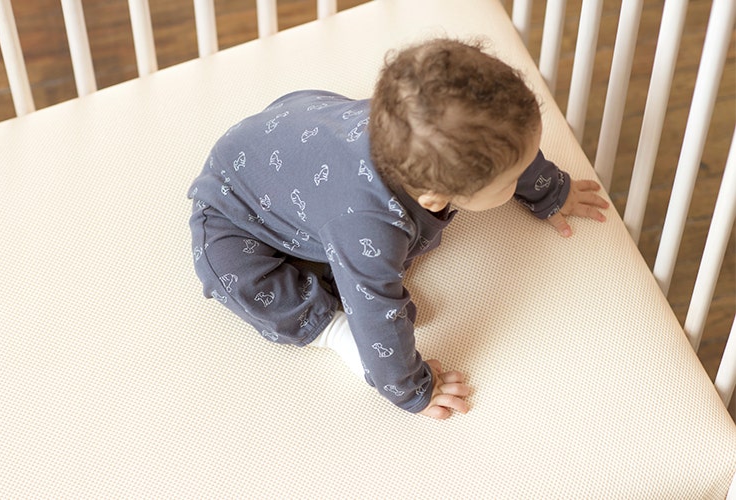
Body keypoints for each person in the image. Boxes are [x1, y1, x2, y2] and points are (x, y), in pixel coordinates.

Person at [187, 38, 608, 419]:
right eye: (510, 183)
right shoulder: (370, 229)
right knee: (229, 274)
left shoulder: (416, 135)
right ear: (434, 197)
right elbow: (376, 315)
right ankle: (329, 328)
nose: (522, 177)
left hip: (300, 134)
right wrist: (412, 389)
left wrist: (550, 190)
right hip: (234, 205)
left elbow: (511, 145)